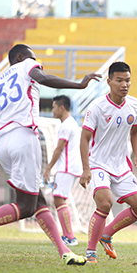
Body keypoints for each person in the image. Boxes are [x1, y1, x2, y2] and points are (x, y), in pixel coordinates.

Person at [0, 44, 101, 265]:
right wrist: (78, 85)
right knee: (26, 207)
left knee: (39, 201)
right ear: (21, 57)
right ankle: (65, 249)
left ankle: (65, 252)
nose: (36, 61)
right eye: (33, 57)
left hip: (1, 143)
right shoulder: (26, 65)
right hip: (22, 136)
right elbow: (42, 77)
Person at [79, 61, 137, 264]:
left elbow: (135, 131)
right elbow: (84, 138)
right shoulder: (97, 106)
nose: (124, 84)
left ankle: (106, 234)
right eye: (119, 80)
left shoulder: (134, 104)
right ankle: (91, 252)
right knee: (105, 202)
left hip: (121, 166)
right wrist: (86, 169)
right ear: (109, 82)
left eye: (128, 80)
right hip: (98, 163)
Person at [43, 95, 82, 246]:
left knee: (59, 198)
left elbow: (59, 148)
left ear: (61, 108)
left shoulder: (66, 125)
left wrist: (48, 168)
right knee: (59, 199)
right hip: (69, 167)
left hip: (66, 167)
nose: (52, 110)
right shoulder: (72, 123)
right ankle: (67, 235)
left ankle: (70, 237)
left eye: (53, 107)